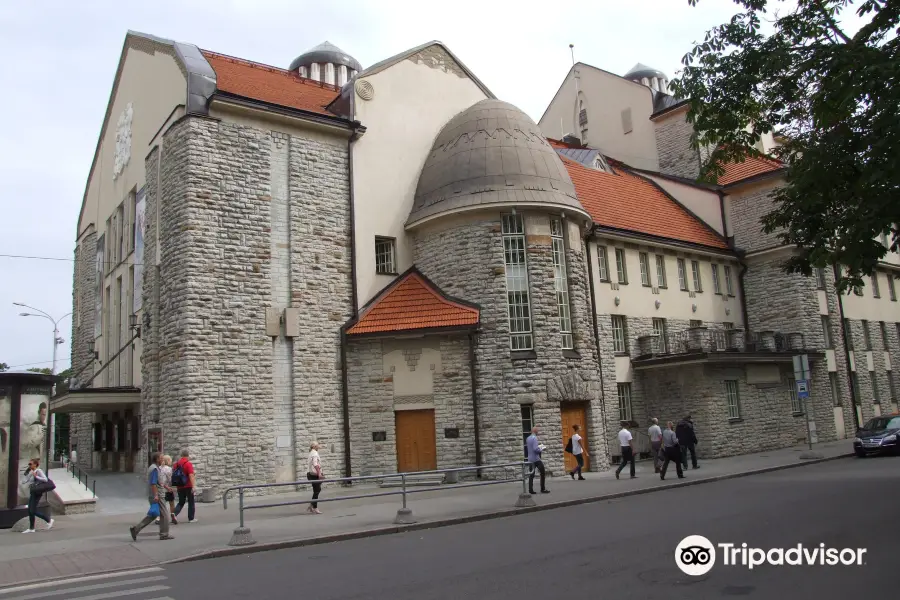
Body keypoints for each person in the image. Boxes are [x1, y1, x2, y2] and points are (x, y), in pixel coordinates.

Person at [129, 452, 173, 541]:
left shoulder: (154, 468)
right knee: (164, 515)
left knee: (153, 515)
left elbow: (157, 481)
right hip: (158, 495)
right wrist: (156, 495)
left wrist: (166, 487)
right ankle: (164, 534)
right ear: (157, 459)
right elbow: (153, 483)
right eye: (161, 458)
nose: (163, 460)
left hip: (156, 494)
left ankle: (136, 529)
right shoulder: (154, 469)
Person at [21, 458, 53, 533]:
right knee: (30, 510)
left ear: (35, 464)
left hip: (37, 493)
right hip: (33, 492)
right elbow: (24, 481)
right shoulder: (31, 472)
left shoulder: (38, 471)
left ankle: (48, 520)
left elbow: (45, 479)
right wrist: (26, 474)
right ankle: (31, 528)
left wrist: (36, 476)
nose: (29, 465)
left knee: (32, 510)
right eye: (29, 464)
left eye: (30, 464)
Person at [173, 448, 197, 523]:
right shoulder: (188, 463)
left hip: (179, 485)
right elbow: (191, 475)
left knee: (181, 502)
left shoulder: (176, 464)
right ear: (188, 455)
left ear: (181, 455)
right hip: (188, 486)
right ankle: (191, 518)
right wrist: (194, 486)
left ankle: (174, 514)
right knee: (191, 501)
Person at [525, 426, 549, 494]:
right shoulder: (535, 438)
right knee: (542, 472)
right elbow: (535, 449)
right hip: (536, 459)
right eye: (537, 431)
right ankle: (542, 489)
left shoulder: (528, 438)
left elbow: (530, 448)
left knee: (531, 474)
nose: (538, 432)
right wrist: (542, 448)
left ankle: (530, 490)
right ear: (535, 431)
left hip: (530, 458)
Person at [159, 455, 177, 525]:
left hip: (160, 489)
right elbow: (170, 479)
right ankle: (173, 514)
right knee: (171, 503)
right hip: (168, 488)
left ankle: (159, 517)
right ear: (168, 461)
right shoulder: (169, 469)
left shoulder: (159, 468)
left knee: (162, 504)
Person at [307, 442, 324, 514]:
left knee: (316, 490)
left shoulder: (312, 452)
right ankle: (315, 507)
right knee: (317, 490)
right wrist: (319, 474)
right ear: (314, 447)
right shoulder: (314, 453)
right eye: (317, 446)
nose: (318, 447)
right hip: (314, 475)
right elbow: (315, 464)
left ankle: (312, 505)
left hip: (310, 474)